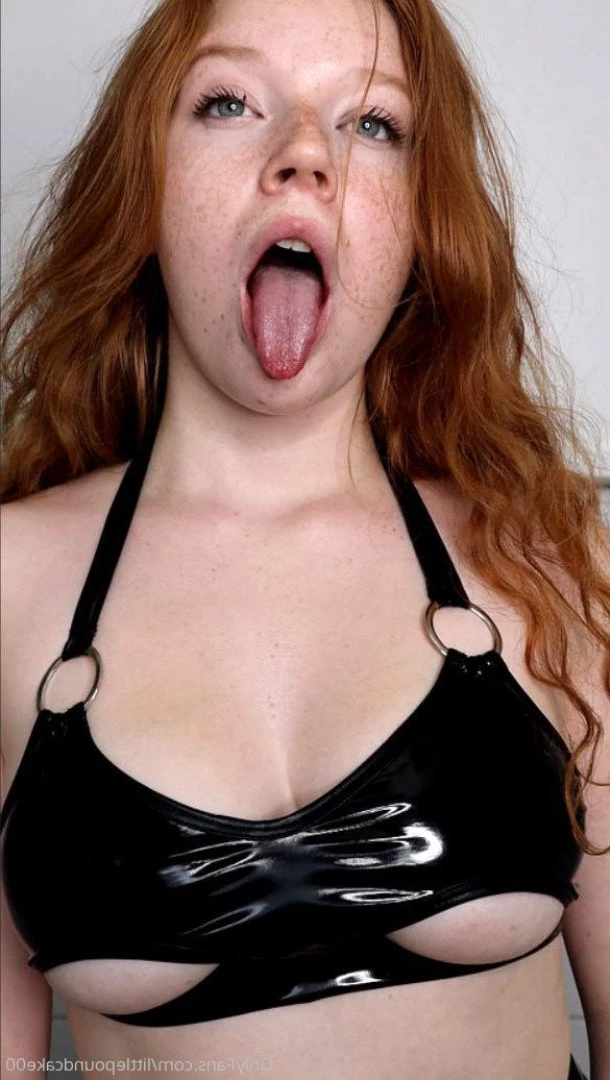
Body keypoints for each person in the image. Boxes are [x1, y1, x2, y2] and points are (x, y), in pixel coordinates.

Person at [1, 0, 608, 1076]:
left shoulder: (550, 559)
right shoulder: (9, 586)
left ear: (418, 219)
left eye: (372, 123)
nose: (303, 157)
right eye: (229, 102)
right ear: (145, 184)